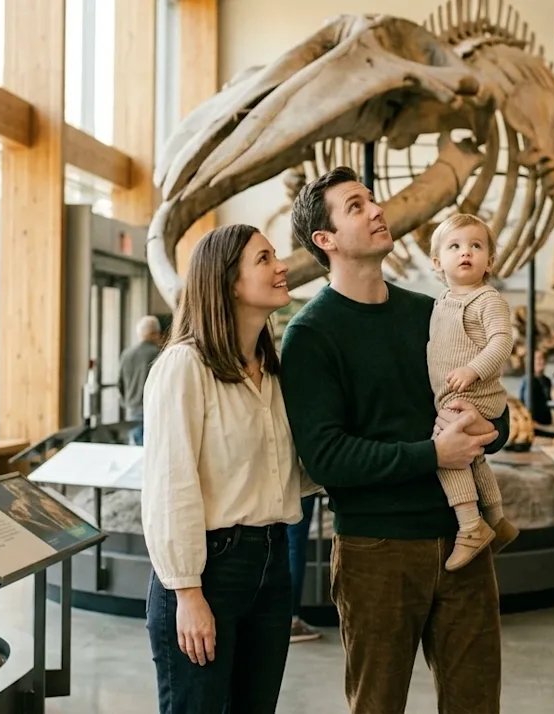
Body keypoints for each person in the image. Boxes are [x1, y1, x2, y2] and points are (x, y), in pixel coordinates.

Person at [280, 166, 510, 714]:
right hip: (375, 554)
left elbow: (476, 405)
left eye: (372, 199)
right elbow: (327, 457)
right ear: (325, 239)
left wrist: (492, 431)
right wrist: (434, 454)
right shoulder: (310, 334)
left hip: (463, 541)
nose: (378, 210)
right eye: (356, 206)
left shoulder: (430, 311)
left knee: (477, 704)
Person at [140, 224, 320, 714]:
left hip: (272, 564)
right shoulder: (184, 367)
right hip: (209, 572)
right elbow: (169, 486)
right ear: (228, 281)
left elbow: (294, 471)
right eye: (264, 259)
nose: (282, 265)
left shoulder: (272, 371)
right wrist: (188, 593)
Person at [425, 213, 519, 570]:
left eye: (476, 246)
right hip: (452, 395)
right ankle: (496, 518)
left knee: (445, 451)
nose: (466, 253)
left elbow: (502, 341)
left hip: (475, 395)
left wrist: (472, 369)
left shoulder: (487, 299)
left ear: (490, 261)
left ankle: (470, 526)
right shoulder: (441, 301)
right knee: (473, 458)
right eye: (455, 246)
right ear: (437, 262)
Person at [120, 315, 164, 444]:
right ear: (154, 334)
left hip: (132, 410)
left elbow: (120, 383)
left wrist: (128, 402)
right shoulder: (157, 354)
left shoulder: (126, 354)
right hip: (152, 410)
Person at [285, 493, 322, 642]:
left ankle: (284, 618)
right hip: (299, 487)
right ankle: (291, 620)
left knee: (282, 546)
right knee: (295, 549)